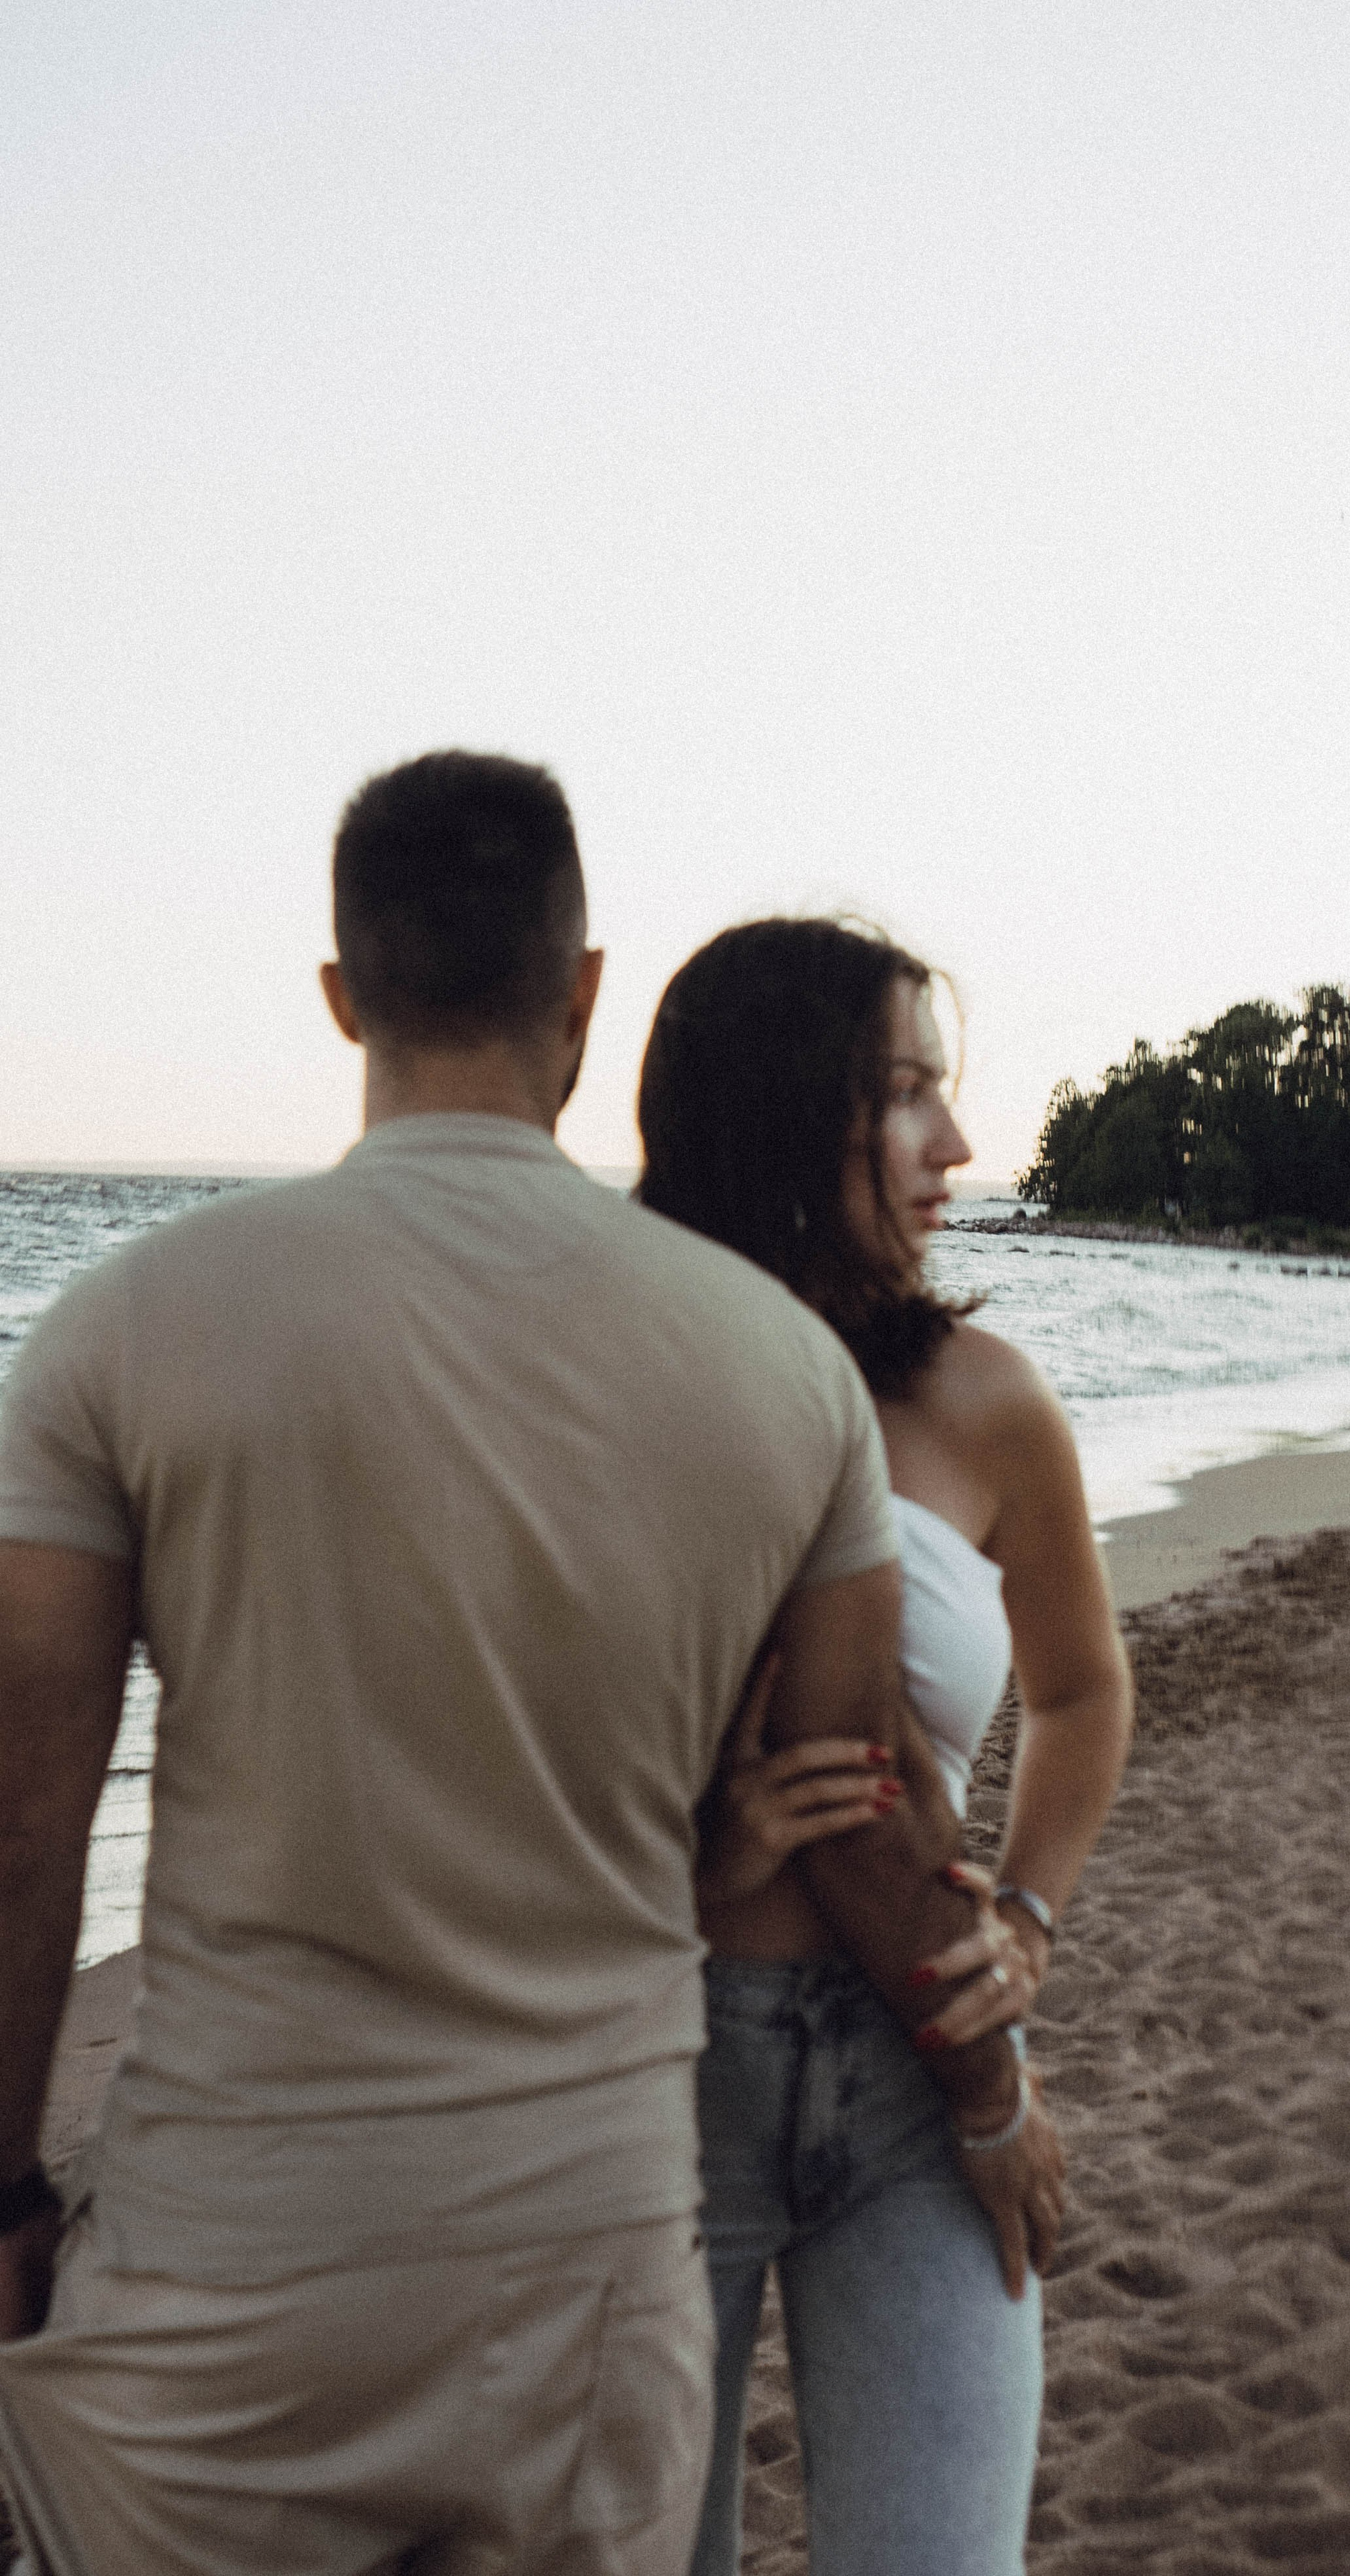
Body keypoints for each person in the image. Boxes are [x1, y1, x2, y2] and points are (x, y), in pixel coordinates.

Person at [0, 756, 1044, 2576]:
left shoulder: (122, 1327)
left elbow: (25, 1820)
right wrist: (990, 2079)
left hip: (231, 2263)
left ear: (343, 995)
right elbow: (863, 1778)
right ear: (580, 992)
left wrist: (8, 2189)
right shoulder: (779, 1373)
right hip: (587, 2268)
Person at [636, 918, 1135, 2576]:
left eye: (948, 1093)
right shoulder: (611, 1398)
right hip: (647, 2072)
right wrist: (702, 1859)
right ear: (783, 1113)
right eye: (907, 1095)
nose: (958, 1147)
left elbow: (1082, 1690)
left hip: (909, 2069)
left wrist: (1029, 1922)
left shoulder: (981, 1401)